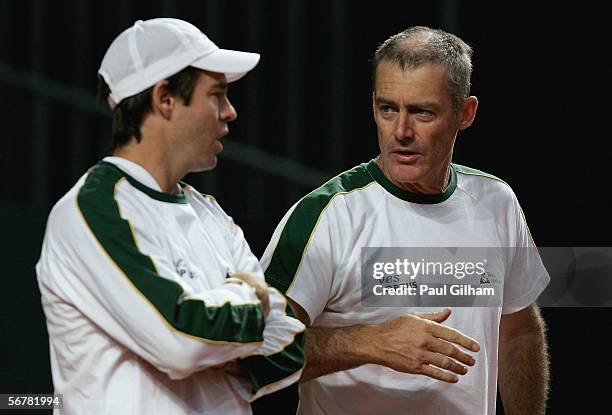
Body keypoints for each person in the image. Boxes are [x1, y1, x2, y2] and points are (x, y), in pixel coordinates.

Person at [261, 26, 549, 414]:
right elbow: (257, 349)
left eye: (422, 112)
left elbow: (518, 332)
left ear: (465, 113)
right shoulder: (327, 215)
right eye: (388, 109)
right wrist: (369, 342)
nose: (401, 131)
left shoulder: (497, 202)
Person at [35, 18, 305, 415]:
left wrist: (210, 333)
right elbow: (180, 337)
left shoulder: (211, 215)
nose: (230, 112)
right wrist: (254, 298)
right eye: (217, 94)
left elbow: (289, 347)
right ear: (165, 98)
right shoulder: (92, 209)